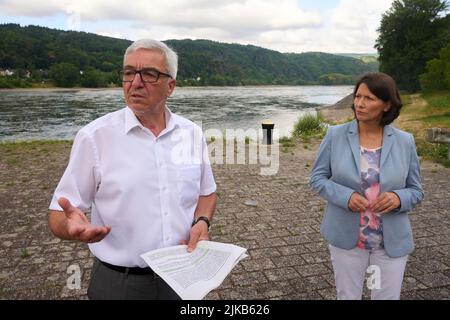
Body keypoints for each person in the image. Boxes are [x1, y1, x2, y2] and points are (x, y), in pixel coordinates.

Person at [48, 39, 217, 300]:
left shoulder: (192, 134)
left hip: (183, 275)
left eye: (149, 74)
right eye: (129, 72)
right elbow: (60, 212)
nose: (135, 82)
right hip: (120, 284)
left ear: (170, 85)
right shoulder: (94, 138)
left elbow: (207, 193)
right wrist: (69, 228)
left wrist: (202, 222)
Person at [309, 72, 424, 300]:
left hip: (390, 241)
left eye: (369, 98)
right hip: (346, 238)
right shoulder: (335, 135)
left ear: (386, 105)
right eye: (357, 96)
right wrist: (345, 196)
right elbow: (317, 178)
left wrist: (399, 198)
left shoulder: (405, 141)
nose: (359, 104)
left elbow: (416, 190)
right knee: (347, 296)